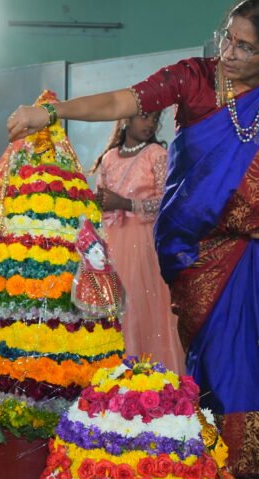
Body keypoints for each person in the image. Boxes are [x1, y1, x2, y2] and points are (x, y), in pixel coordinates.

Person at [8, 0, 259, 479]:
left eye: (246, 47)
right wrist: (52, 111)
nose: (229, 53)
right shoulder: (194, 76)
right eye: (227, 37)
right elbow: (123, 102)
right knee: (214, 350)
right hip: (199, 243)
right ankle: (218, 450)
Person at [90, 112, 184, 374]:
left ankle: (154, 382)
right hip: (114, 244)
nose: (151, 124)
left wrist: (126, 204)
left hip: (146, 246)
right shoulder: (109, 158)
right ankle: (118, 379)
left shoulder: (156, 154)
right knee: (119, 310)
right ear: (125, 121)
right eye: (144, 117)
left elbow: (168, 202)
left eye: (155, 119)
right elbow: (102, 201)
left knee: (145, 309)